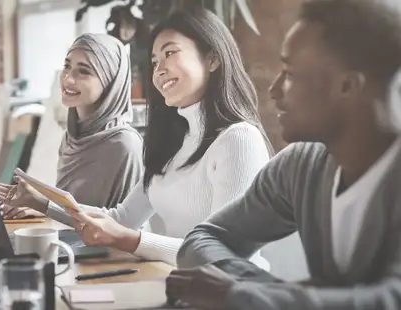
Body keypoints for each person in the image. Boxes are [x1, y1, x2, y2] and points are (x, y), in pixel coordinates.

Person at [169, 0, 401, 309]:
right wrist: (267, 294)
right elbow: (202, 240)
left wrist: (244, 296)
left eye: (290, 73)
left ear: (347, 86)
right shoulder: (300, 166)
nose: (275, 90)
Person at [0, 10, 273, 266]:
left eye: (170, 53)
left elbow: (224, 253)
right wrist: (40, 202)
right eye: (154, 61)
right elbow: (121, 218)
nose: (159, 69)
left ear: (212, 59)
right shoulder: (175, 142)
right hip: (181, 285)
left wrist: (128, 239)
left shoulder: (239, 140)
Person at [0, 33, 144, 218]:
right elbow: (72, 207)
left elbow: (123, 224)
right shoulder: (72, 136)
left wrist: (43, 205)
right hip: (69, 240)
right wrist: (40, 208)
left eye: (84, 71)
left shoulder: (124, 145)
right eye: (67, 66)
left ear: (111, 82)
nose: (68, 79)